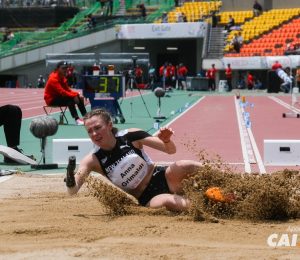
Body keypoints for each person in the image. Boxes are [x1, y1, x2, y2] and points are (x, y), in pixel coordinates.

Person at [65, 108, 203, 212]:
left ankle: (224, 180)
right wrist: (70, 180)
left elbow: (171, 150)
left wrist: (166, 141)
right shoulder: (92, 160)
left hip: (164, 177)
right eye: (89, 131)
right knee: (169, 201)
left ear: (109, 125)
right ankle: (209, 207)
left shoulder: (130, 135)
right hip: (147, 197)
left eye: (97, 128)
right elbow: (73, 191)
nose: (94, 134)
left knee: (186, 165)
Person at [44, 61, 87, 125]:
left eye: (66, 68)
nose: (65, 70)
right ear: (58, 68)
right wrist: (74, 95)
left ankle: (86, 117)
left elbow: (68, 90)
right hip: (51, 99)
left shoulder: (62, 77)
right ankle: (77, 119)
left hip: (59, 97)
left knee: (78, 97)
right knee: (70, 99)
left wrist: (77, 94)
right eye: (63, 68)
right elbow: (62, 92)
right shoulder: (53, 78)